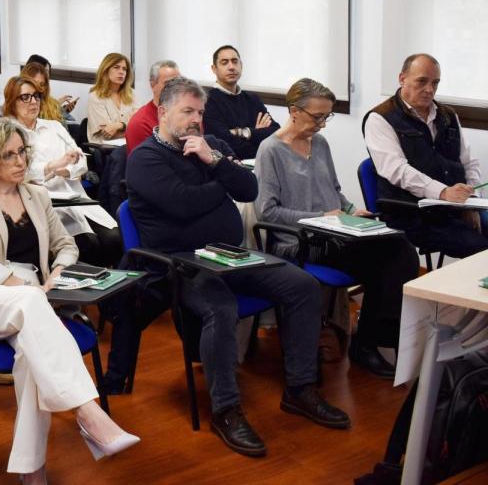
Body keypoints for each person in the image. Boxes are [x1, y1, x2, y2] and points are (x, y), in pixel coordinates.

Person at [123, 76, 349, 457]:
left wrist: (213, 161)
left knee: (302, 286)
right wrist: (221, 181)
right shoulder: (145, 158)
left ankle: (300, 389)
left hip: (230, 254)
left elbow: (249, 189)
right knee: (221, 308)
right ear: (163, 112)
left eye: (200, 112)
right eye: (187, 111)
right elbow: (183, 204)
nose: (196, 120)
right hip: (181, 264)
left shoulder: (211, 146)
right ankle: (226, 410)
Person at [0, 118, 139, 482]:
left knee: (31, 357)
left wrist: (57, 272)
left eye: (22, 151)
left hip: (32, 302)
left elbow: (66, 246)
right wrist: (21, 286)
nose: (19, 161)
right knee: (29, 302)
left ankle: (32, 470)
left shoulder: (37, 195)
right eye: (8, 155)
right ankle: (87, 412)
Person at [255, 78, 419, 378]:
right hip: (300, 241)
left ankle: (370, 341)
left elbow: (334, 190)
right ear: (294, 110)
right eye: (317, 116)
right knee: (387, 260)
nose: (322, 124)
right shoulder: (270, 150)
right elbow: (267, 212)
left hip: (334, 232)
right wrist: (321, 217)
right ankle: (366, 345)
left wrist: (350, 210)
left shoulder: (320, 144)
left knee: (402, 250)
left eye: (326, 116)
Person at [363, 53, 486, 258]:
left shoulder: (447, 115)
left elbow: (469, 163)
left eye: (435, 83)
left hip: (453, 208)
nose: (430, 89)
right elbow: (397, 170)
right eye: (422, 81)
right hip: (413, 214)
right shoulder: (379, 118)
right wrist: (443, 192)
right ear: (402, 79)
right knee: (481, 250)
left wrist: (471, 202)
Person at [4, 76, 122, 267]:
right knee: (88, 245)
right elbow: (18, 170)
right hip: (45, 203)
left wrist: (65, 171)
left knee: (114, 239)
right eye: (25, 97)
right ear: (11, 101)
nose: (33, 102)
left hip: (75, 197)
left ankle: (109, 292)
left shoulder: (54, 126)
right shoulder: (8, 131)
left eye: (36, 96)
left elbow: (81, 159)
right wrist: (52, 165)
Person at [204, 45, 279, 160]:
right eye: (224, 62)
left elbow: (275, 131)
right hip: (233, 165)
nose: (231, 67)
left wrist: (245, 132)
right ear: (214, 69)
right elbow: (224, 142)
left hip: (261, 162)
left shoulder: (253, 99)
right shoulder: (208, 101)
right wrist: (258, 133)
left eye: (235, 62)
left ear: (241, 66)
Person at [125, 60, 180, 155]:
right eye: (168, 83)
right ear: (153, 85)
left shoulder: (189, 115)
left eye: (178, 82)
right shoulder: (141, 123)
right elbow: (145, 166)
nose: (175, 88)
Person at [87, 53, 137, 144]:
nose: (121, 72)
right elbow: (107, 134)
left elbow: (139, 123)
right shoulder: (95, 97)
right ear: (105, 70)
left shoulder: (132, 94)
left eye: (124, 69)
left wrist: (120, 125)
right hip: (105, 149)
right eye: (116, 67)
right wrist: (131, 129)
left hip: (129, 145)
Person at [24, 55, 77, 120]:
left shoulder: (45, 94)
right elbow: (44, 117)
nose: (47, 75)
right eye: (45, 71)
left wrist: (64, 109)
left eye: (48, 71)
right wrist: (56, 105)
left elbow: (51, 115)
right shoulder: (26, 95)